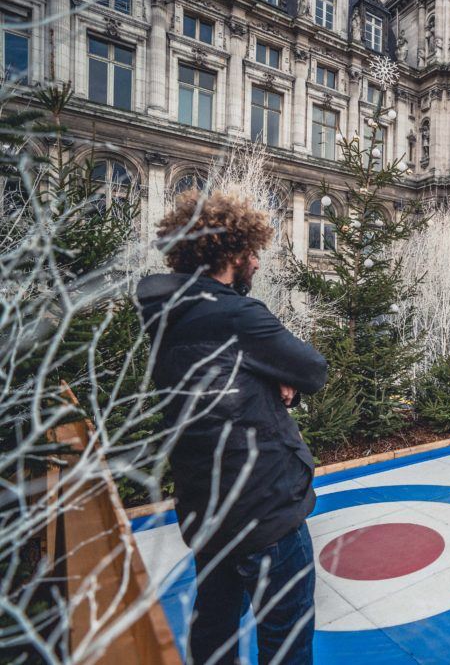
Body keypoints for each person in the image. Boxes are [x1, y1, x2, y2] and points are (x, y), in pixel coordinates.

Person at [138, 189, 328, 665]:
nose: (258, 264)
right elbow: (312, 369)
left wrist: (271, 375)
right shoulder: (237, 315)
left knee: (214, 631)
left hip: (205, 505)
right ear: (231, 254)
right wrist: (281, 374)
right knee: (286, 639)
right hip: (263, 508)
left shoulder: (168, 315)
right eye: (252, 253)